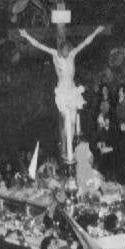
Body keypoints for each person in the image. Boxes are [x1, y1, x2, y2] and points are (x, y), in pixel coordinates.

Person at [19, 26, 105, 163]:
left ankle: (70, 148)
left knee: (72, 121)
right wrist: (26, 35)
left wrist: (96, 32)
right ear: (61, 49)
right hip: (63, 93)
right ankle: (64, 147)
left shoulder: (72, 54)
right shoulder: (55, 54)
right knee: (65, 122)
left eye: (68, 50)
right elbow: (39, 45)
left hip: (72, 91)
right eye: (64, 50)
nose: (66, 52)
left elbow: (85, 43)